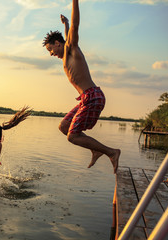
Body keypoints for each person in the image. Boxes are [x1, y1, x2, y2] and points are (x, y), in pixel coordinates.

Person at [43, 0, 120, 173]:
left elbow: (74, 29)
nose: (51, 53)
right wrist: (65, 24)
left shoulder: (72, 49)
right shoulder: (65, 57)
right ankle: (95, 149)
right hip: (86, 99)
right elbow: (68, 32)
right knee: (63, 126)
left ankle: (111, 152)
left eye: (50, 49)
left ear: (58, 43)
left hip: (92, 96)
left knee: (72, 136)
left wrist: (74, 3)